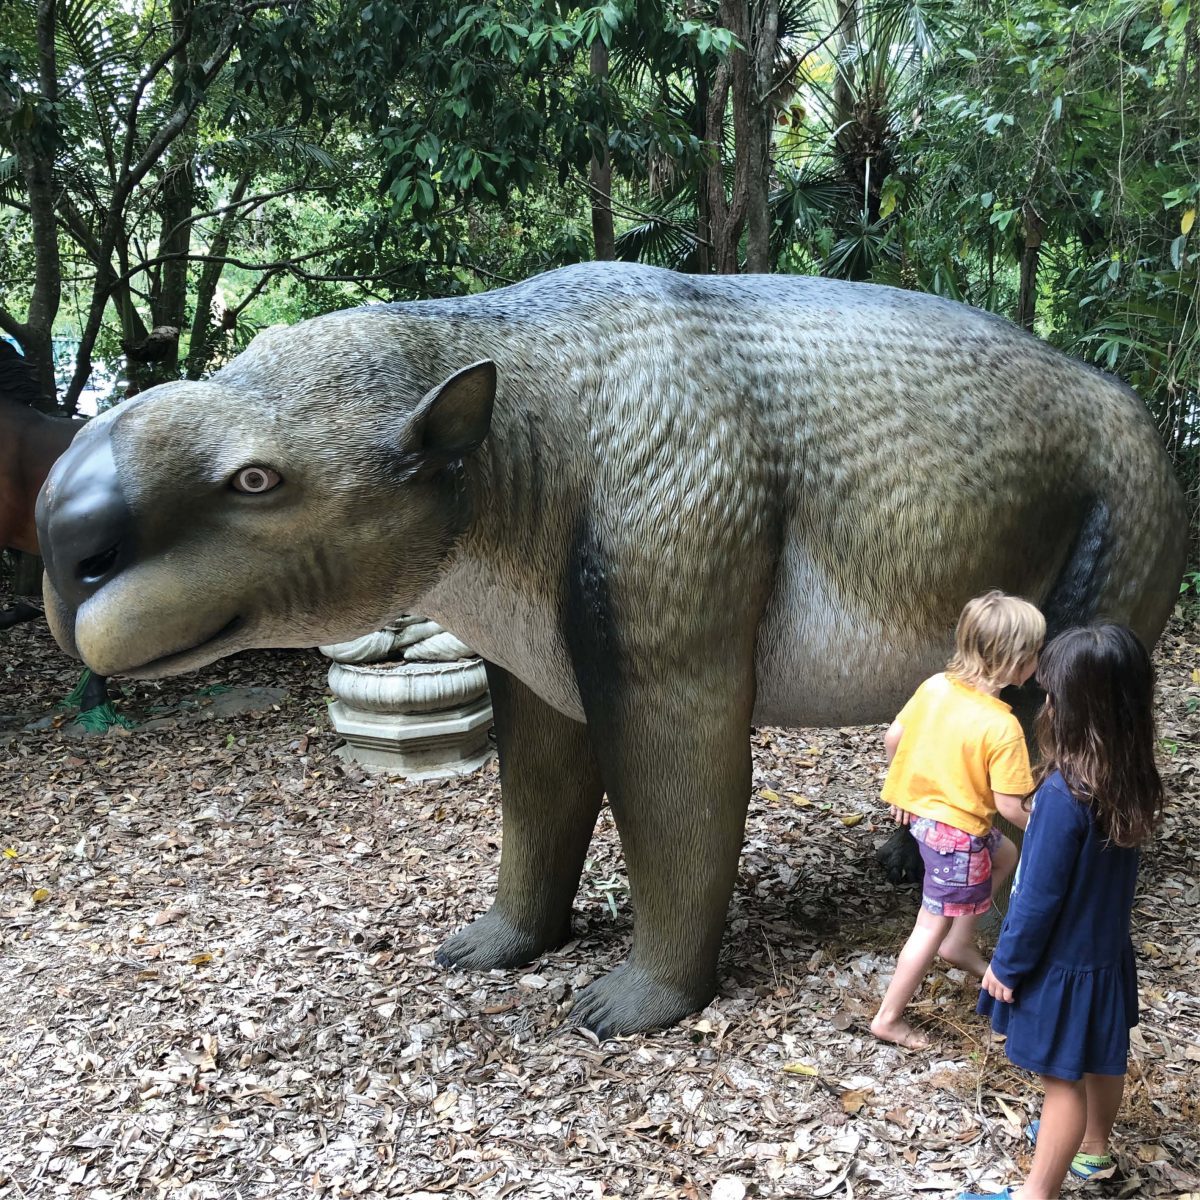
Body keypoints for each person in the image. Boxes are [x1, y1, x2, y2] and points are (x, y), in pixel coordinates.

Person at [958, 624, 1164, 1200]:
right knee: (1102, 1056)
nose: (1045, 701)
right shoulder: (1130, 776)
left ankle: (1036, 1194)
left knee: (1061, 1084)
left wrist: (1007, 964)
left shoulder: (1062, 795)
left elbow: (1038, 897)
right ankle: (1092, 1152)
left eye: (1052, 694)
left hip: (1062, 965)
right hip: (1103, 953)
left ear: (1072, 709)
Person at [870, 590, 1045, 1050]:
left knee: (1004, 854)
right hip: (958, 835)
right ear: (1018, 663)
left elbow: (894, 739)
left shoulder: (935, 686)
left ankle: (960, 945)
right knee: (930, 924)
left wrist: (905, 788)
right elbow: (1010, 807)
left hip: (930, 821)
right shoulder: (1002, 726)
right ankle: (888, 1017)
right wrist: (1056, 827)